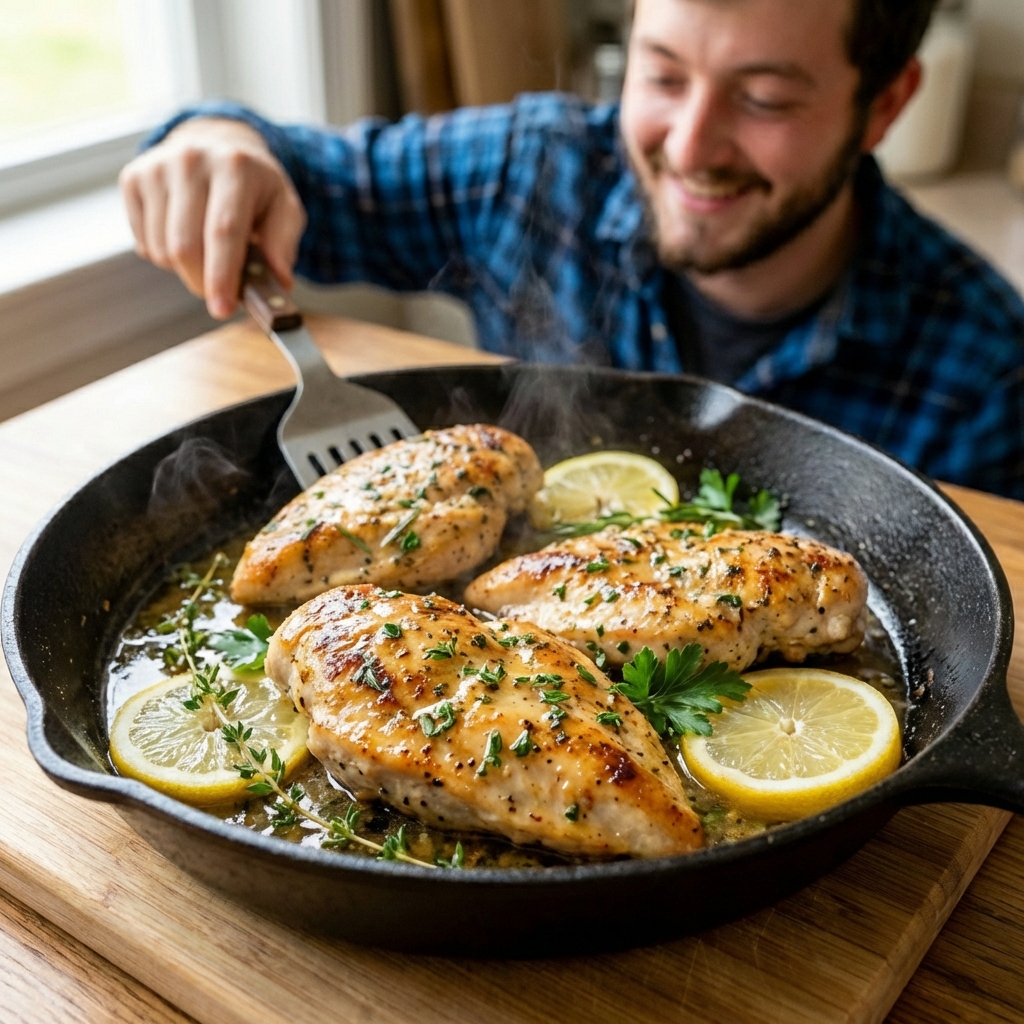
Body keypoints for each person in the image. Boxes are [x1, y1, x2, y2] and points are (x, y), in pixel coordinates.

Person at [120, 0, 1024, 498]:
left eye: (765, 100)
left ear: (884, 106)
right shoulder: (533, 171)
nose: (690, 145)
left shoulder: (986, 368)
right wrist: (215, 143)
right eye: (663, 74)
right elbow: (285, 167)